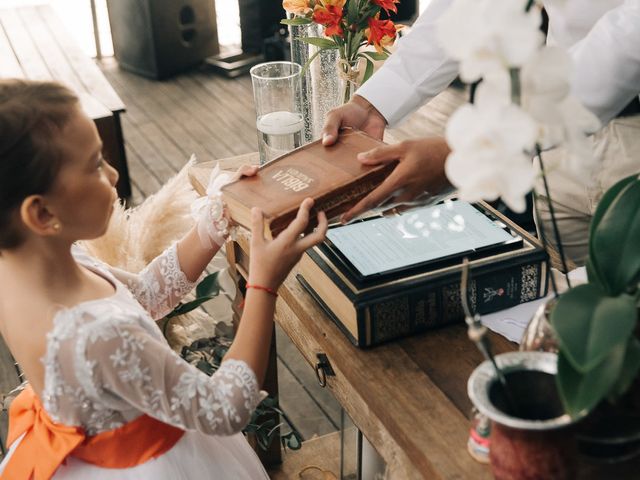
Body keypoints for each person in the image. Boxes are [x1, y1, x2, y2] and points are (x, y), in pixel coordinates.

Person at [0, 79, 328, 479]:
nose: (114, 173)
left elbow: (142, 294)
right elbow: (224, 408)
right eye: (95, 165)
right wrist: (263, 284)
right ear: (42, 214)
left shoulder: (34, 264)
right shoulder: (99, 335)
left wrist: (212, 224)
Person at [322, 0, 640, 265]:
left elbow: (630, 37)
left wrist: (473, 153)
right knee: (562, 316)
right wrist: (374, 103)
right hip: (555, 149)